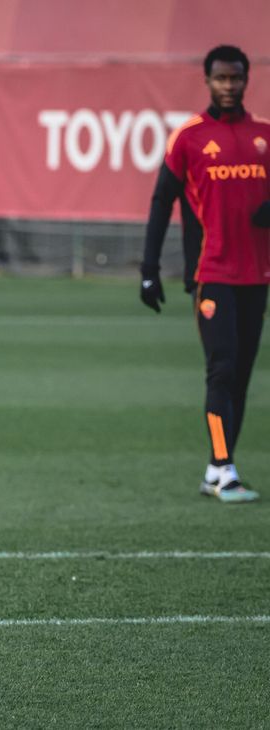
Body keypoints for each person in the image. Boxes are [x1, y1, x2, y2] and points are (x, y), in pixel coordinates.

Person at [140, 45, 270, 503]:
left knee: (241, 378)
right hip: (212, 274)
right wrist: (148, 269)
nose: (229, 86)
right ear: (208, 80)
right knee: (222, 369)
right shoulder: (189, 138)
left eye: (236, 78)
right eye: (221, 78)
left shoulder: (264, 136)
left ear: (247, 79)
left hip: (258, 277)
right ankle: (222, 467)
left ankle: (219, 470)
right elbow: (161, 202)